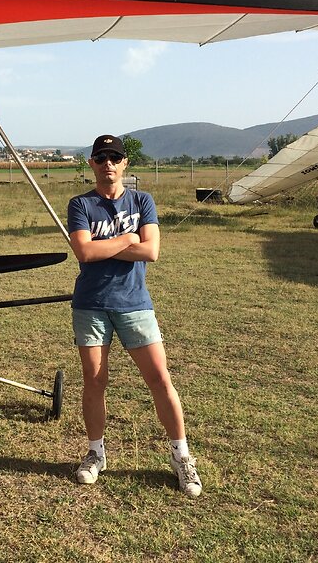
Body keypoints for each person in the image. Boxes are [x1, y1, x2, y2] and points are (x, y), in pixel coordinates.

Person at [65, 134, 202, 497]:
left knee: (160, 379)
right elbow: (84, 253)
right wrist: (127, 240)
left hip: (134, 304)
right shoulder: (80, 204)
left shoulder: (143, 200)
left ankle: (181, 456)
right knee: (94, 382)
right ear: (91, 164)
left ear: (125, 163)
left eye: (114, 157)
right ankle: (96, 453)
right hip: (91, 305)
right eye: (100, 158)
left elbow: (152, 251)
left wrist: (106, 246)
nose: (107, 163)